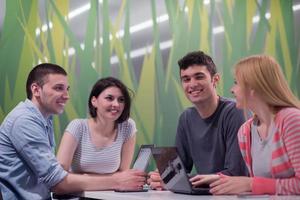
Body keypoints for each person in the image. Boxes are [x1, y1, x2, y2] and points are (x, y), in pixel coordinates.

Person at [0, 64, 145, 200]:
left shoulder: (44, 120)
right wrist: (115, 181)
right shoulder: (25, 121)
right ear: (36, 90)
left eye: (67, 89)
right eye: (58, 88)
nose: (66, 95)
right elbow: (56, 181)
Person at [148, 51, 247, 190]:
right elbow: (179, 172)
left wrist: (174, 180)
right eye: (186, 79)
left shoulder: (233, 111)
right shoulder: (186, 118)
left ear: (215, 79)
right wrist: (162, 177)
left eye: (199, 77)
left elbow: (235, 173)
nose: (192, 84)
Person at [209, 55, 300, 195]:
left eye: (236, 83)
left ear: (253, 87)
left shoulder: (291, 119)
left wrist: (251, 184)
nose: (232, 90)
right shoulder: (245, 132)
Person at [57, 77, 140, 181]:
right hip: (78, 194)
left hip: (110, 194)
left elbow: (123, 174)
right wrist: (111, 179)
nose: (116, 104)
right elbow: (59, 174)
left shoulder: (128, 126)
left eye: (121, 100)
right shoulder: (78, 126)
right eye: (109, 98)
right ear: (94, 101)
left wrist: (88, 177)